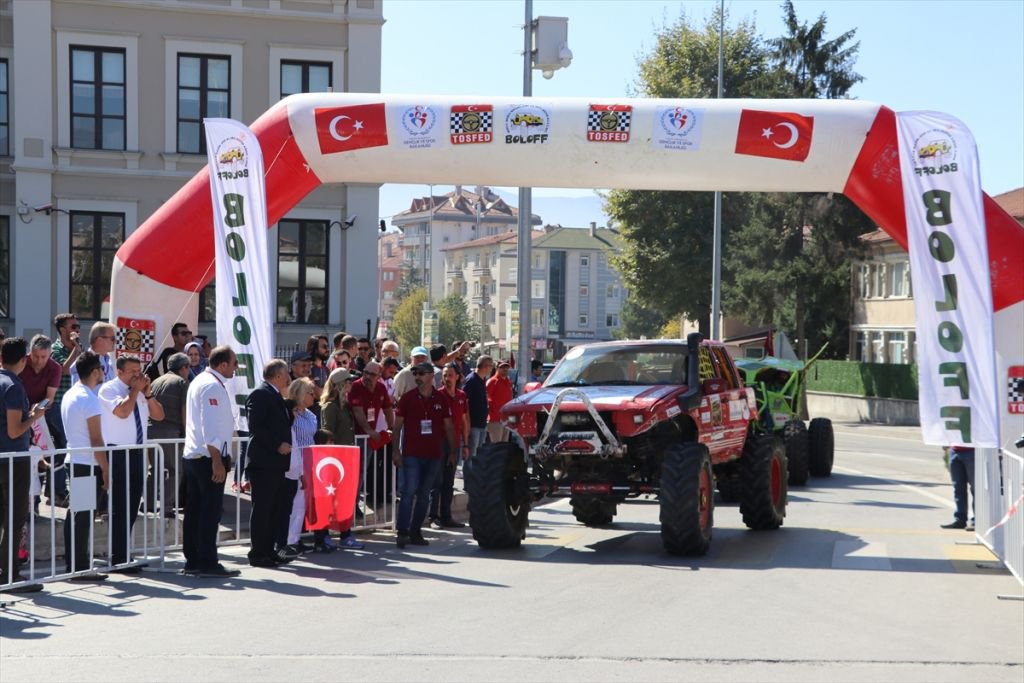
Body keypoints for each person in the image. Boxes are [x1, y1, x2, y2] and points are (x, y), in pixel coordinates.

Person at [98, 355, 165, 571]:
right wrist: (135, 391)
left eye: (139, 371)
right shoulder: (109, 390)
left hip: (137, 452)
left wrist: (148, 393)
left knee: (133, 504)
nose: (138, 375)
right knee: (120, 505)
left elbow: (159, 416)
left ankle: (124, 552)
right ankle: (118, 556)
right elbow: (123, 412)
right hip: (117, 452)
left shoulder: (141, 392)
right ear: (120, 372)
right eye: (132, 371)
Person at [181, 345, 240, 577]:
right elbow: (210, 426)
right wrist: (217, 460)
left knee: (195, 511)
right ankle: (206, 561)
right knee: (209, 512)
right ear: (222, 364)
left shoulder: (201, 381)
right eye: (234, 363)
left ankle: (194, 559)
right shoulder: (211, 386)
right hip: (207, 458)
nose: (236, 368)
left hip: (197, 456)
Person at [0, 337, 47, 593]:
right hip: (12, 458)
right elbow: (15, 429)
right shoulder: (13, 386)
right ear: (24, 360)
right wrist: (35, 416)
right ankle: (10, 574)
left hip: (3, 457)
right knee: (15, 516)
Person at [392, 362, 456, 547]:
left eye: (421, 373)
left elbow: (449, 427)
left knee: (424, 494)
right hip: (411, 454)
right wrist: (396, 451)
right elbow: (397, 428)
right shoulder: (407, 398)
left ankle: (415, 531)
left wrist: (452, 451)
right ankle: (402, 532)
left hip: (434, 455)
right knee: (408, 492)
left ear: (430, 376)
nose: (417, 377)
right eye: (415, 374)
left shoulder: (441, 399)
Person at [60, 351, 110, 583]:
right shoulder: (88, 398)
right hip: (85, 462)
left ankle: (76, 564)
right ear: (94, 372)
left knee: (78, 515)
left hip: (76, 460)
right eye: (100, 368)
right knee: (82, 517)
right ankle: (79, 567)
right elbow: (96, 439)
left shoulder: (72, 394)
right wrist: (106, 468)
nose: (102, 372)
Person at [245, 359, 293, 568]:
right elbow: (255, 426)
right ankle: (257, 552)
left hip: (276, 463)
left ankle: (268, 549)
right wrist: (277, 445)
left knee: (274, 508)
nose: (289, 376)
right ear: (278, 375)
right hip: (264, 462)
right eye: (286, 372)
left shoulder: (276, 395)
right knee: (263, 508)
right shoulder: (261, 393)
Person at [319, 367, 364, 551]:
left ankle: (346, 534)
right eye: (348, 381)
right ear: (339, 385)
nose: (351, 384)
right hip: (334, 460)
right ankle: (324, 536)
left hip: (346, 458)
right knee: (329, 500)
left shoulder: (345, 405)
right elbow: (327, 433)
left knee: (345, 499)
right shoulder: (330, 406)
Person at [18, 335, 62, 506]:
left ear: (49, 355)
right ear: (30, 353)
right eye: (35, 356)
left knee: (49, 452)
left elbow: (50, 397)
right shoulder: (22, 362)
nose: (39, 361)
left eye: (43, 357)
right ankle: (29, 502)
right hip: (20, 410)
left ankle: (48, 496)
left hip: (43, 413)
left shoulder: (55, 368)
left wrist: (37, 409)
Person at [147, 353, 190, 515]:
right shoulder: (181, 382)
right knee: (173, 470)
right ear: (184, 367)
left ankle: (149, 504)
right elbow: (184, 410)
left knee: (155, 469)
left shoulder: (156, 381)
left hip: (151, 430)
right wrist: (186, 433)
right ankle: (166, 507)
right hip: (171, 431)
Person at [280, 378, 318, 560]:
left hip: (309, 462)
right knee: (293, 504)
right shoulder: (291, 414)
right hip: (295, 462)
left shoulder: (310, 415)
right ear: (301, 394)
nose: (314, 396)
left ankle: (295, 539)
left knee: (301, 505)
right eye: (310, 393)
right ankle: (287, 541)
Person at [429, 363, 469, 530]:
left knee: (449, 481)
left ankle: (447, 516)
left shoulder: (461, 396)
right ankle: (433, 517)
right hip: (440, 443)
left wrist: (466, 444)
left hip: (455, 443)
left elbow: (465, 421)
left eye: (450, 375)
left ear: (457, 377)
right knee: (436, 482)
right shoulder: (437, 395)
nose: (447, 379)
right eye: (444, 375)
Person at [50, 314, 83, 452]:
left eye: (78, 326)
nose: (77, 330)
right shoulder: (54, 349)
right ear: (63, 330)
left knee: (75, 441)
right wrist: (76, 349)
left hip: (75, 403)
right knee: (64, 442)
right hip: (58, 403)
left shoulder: (78, 348)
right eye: (74, 327)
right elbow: (65, 369)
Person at [463, 355, 492, 459]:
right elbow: (464, 401)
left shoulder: (482, 379)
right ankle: (469, 473)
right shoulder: (471, 380)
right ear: (485, 366)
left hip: (482, 422)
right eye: (490, 366)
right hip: (473, 423)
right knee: (472, 452)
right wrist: (467, 422)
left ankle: (476, 474)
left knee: (479, 453)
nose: (491, 368)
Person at [942, 446, 976, 531]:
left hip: (971, 451)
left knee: (976, 489)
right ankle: (960, 520)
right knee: (958, 488)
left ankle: (976, 521)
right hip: (954, 451)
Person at [486, 360, 514, 443]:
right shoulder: (492, 381)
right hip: (495, 420)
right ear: (497, 368)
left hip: (507, 419)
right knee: (496, 446)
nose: (505, 369)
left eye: (506, 367)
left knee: (504, 446)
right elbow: (486, 399)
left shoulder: (508, 381)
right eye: (502, 367)